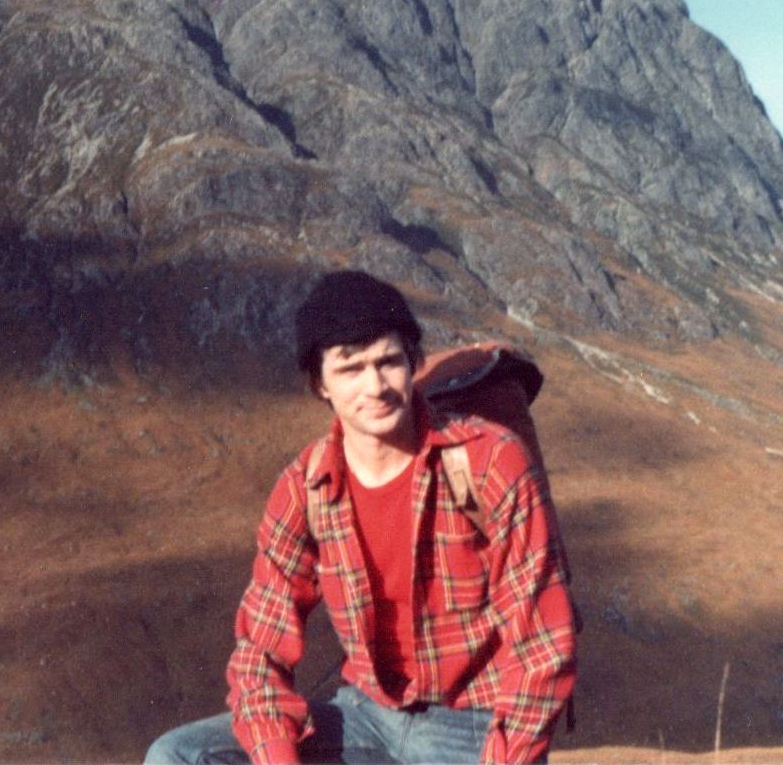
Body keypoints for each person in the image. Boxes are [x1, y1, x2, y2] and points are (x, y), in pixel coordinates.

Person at [145, 270, 577, 764]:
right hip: (365, 714)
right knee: (179, 756)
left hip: (473, 726)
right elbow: (259, 655)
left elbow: (543, 644)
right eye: (350, 368)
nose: (375, 386)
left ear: (413, 363)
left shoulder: (490, 460)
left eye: (389, 362)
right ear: (319, 384)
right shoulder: (304, 488)